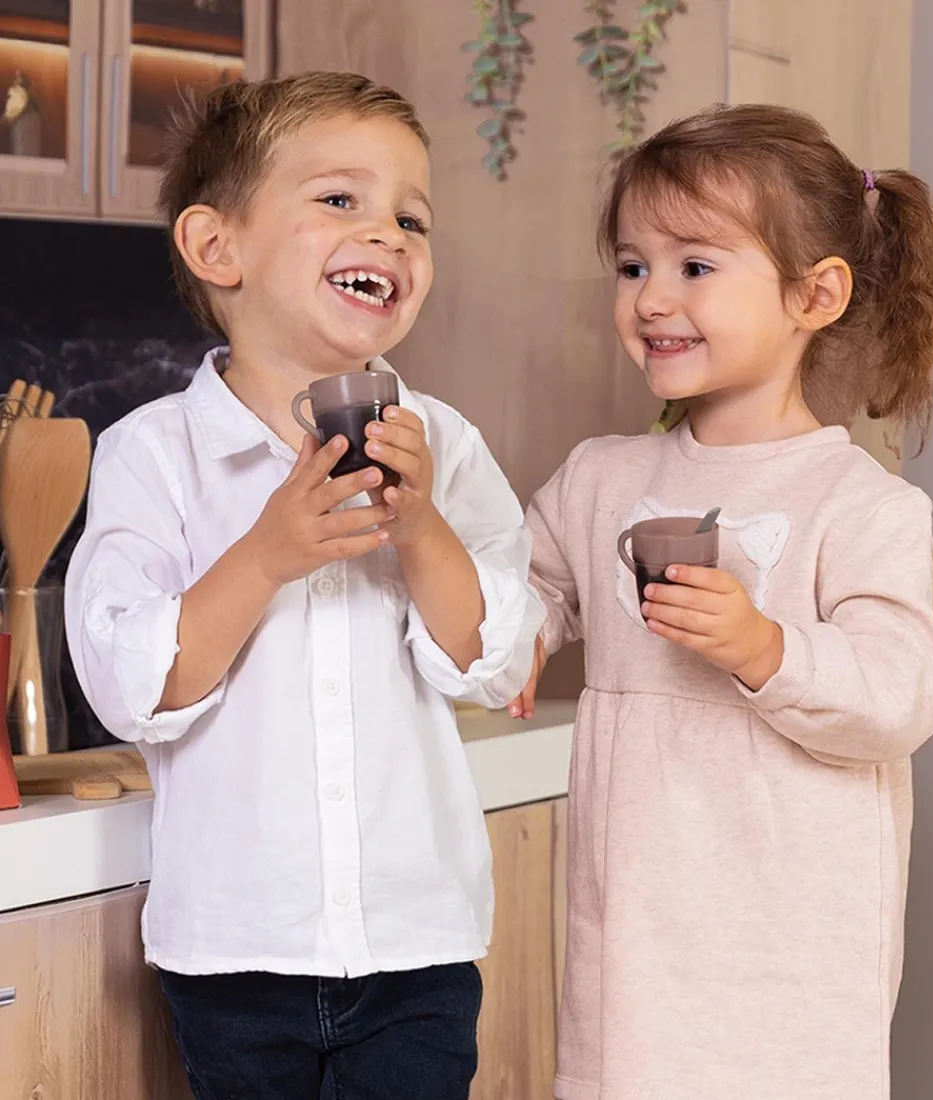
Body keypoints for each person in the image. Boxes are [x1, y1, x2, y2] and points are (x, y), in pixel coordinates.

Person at [65, 71, 544, 1100]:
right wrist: (266, 554)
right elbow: (128, 685)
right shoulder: (151, 454)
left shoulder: (446, 444)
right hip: (234, 947)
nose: (387, 233)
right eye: (339, 198)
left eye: (411, 218)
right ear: (216, 247)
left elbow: (496, 659)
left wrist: (421, 529)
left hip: (417, 941)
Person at [508, 103, 933, 1100]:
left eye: (695, 265)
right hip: (631, 957)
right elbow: (521, 596)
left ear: (814, 294)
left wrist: (762, 646)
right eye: (633, 266)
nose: (652, 298)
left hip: (791, 966)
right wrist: (509, 632)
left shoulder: (862, 505)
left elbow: (904, 694)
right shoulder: (600, 479)